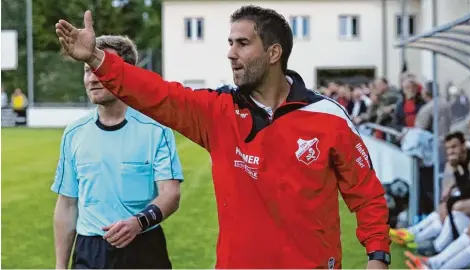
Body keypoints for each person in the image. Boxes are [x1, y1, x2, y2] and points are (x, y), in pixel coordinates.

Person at [55, 6, 391, 268]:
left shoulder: (328, 117)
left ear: (273, 53)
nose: (231, 53)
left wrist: (377, 256)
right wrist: (99, 60)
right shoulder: (219, 112)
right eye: (229, 43)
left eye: (242, 43)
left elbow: (366, 194)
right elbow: (157, 94)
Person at [50, 35, 183, 269]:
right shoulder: (74, 134)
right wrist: (61, 266)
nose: (92, 79)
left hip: (143, 247)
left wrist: (138, 223)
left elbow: (170, 194)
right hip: (90, 252)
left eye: (99, 68)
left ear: (126, 74)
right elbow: (67, 204)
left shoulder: (156, 129)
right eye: (87, 70)